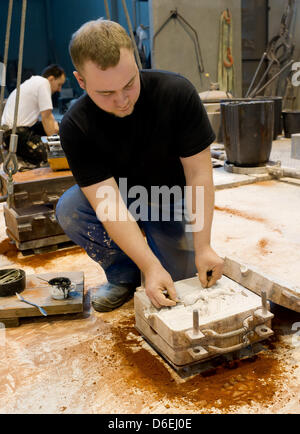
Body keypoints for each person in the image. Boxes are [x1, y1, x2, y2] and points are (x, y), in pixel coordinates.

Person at [56, 19, 224, 312]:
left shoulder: (177, 94)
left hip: (169, 198)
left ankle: (161, 257)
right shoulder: (76, 125)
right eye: (105, 93)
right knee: (70, 209)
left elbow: (199, 174)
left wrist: (204, 246)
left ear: (135, 60)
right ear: (80, 81)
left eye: (129, 84)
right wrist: (148, 265)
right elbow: (108, 205)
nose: (121, 100)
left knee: (181, 284)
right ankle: (124, 273)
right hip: (120, 198)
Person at [1, 64, 66, 165]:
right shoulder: (43, 83)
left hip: (17, 131)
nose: (59, 89)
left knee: (59, 126)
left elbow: (49, 116)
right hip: (14, 135)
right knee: (46, 156)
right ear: (51, 79)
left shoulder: (34, 83)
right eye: (59, 85)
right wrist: (56, 148)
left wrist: (56, 128)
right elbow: (46, 117)